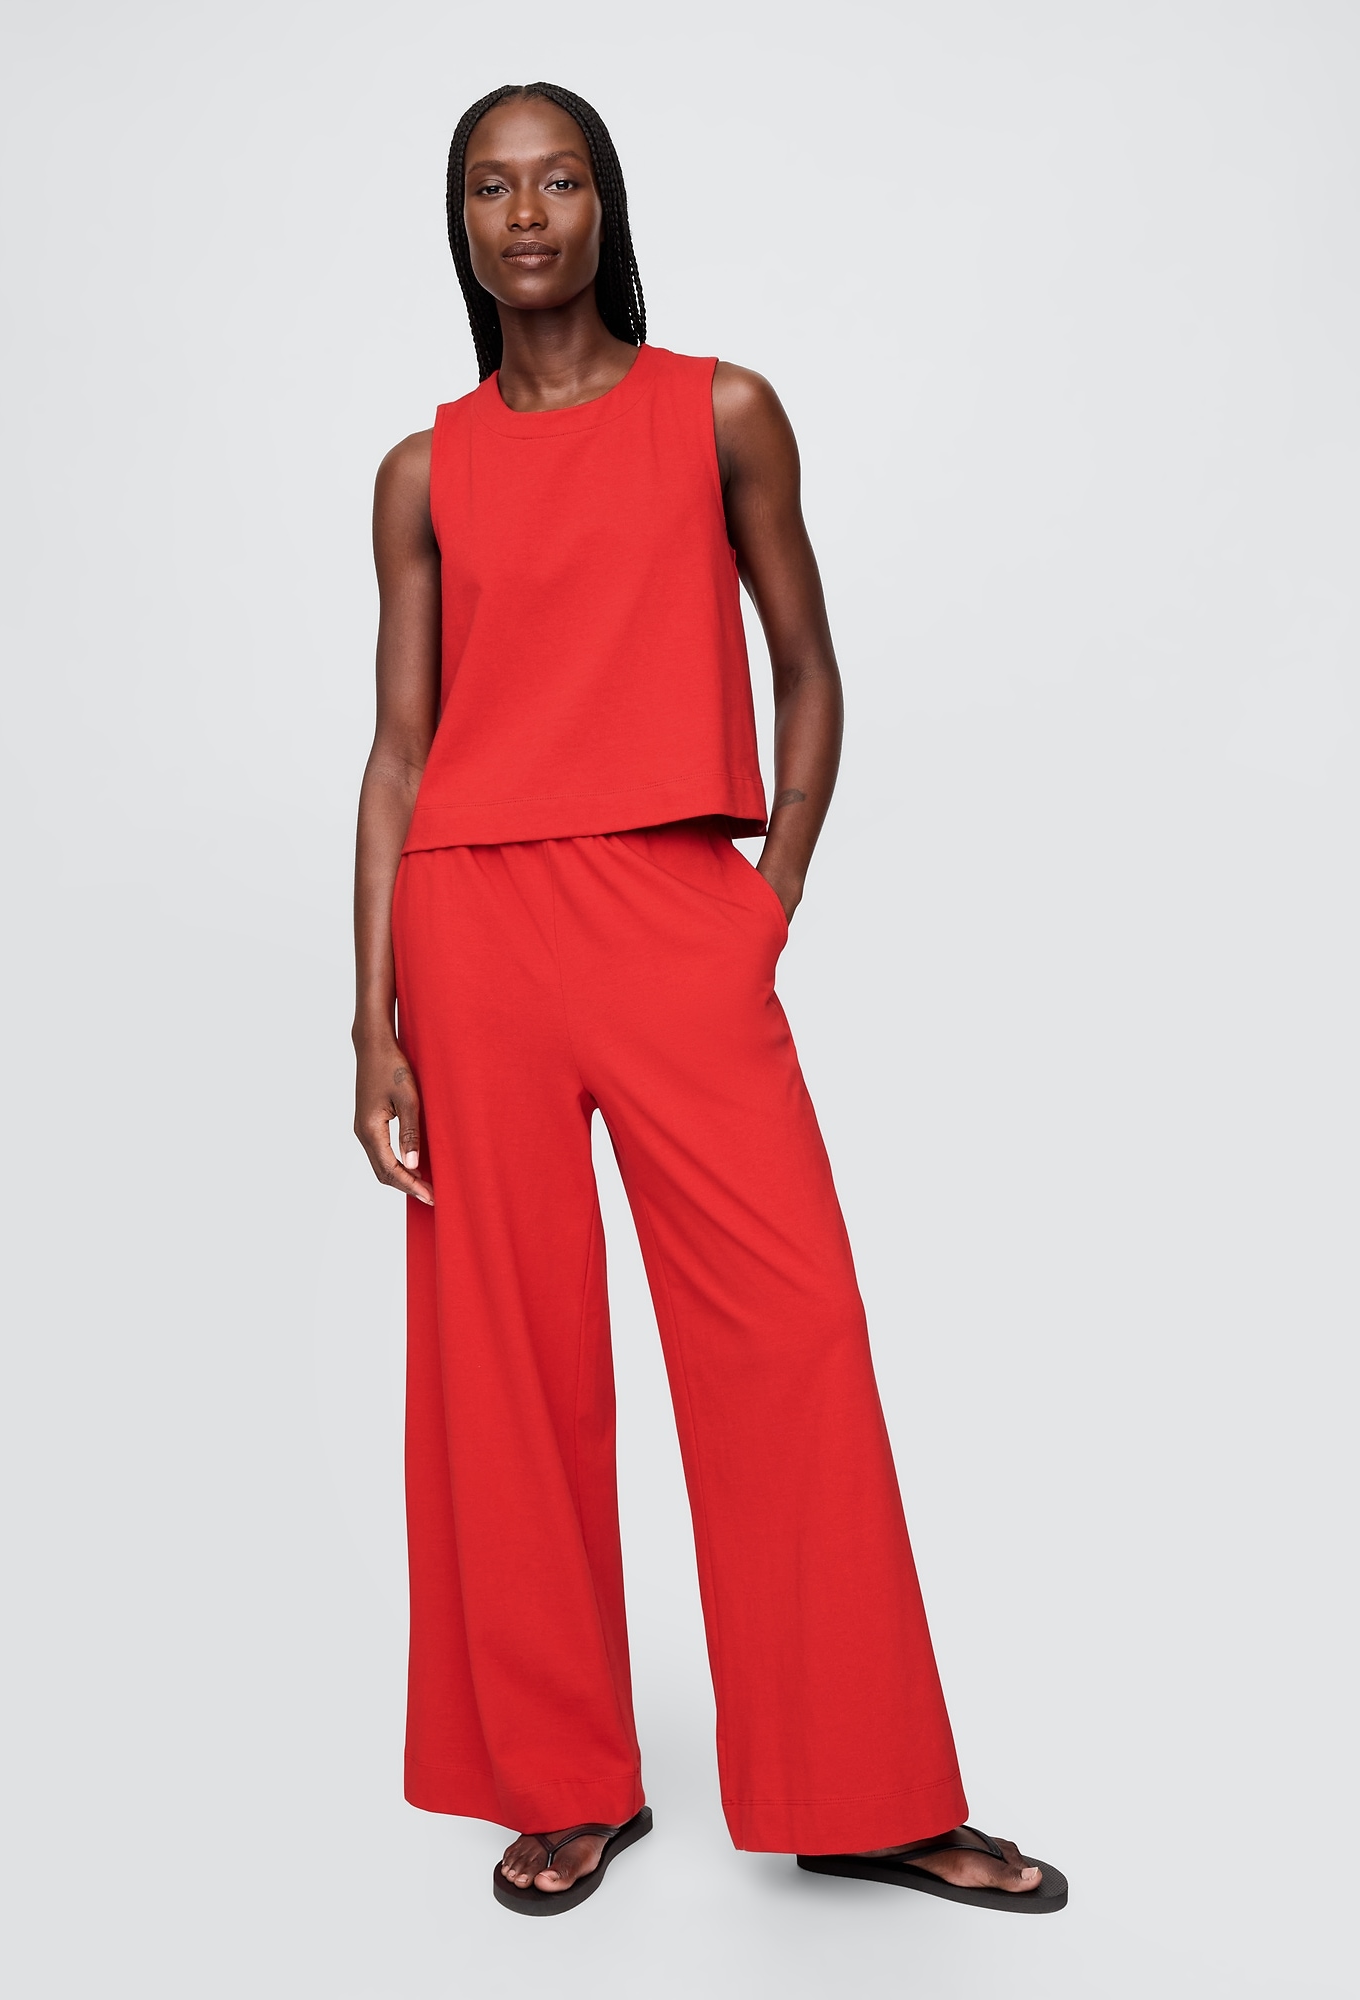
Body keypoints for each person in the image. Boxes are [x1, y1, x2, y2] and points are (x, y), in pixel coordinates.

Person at [352, 81, 1066, 1919]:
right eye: (492, 187)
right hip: (472, 929)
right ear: (460, 223)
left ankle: (867, 1790)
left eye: (559, 180)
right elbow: (399, 748)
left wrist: (772, 893)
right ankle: (567, 1781)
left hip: (676, 913)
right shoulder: (424, 471)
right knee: (509, 1368)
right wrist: (374, 1025)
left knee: (790, 1332)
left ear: (607, 203)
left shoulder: (722, 412)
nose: (527, 215)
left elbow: (810, 666)